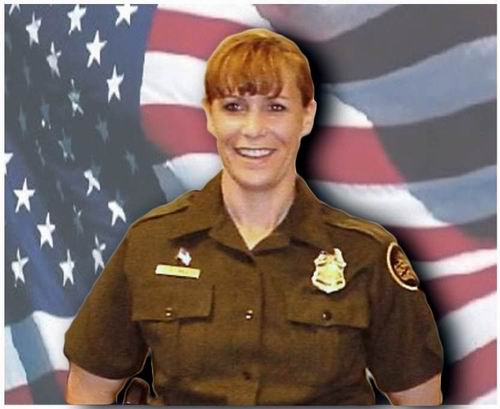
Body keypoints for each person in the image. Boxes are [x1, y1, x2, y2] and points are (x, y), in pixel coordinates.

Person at [64, 28, 443, 405]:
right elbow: (89, 390)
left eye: (276, 108)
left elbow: (419, 398)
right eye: (234, 107)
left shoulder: (366, 255)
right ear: (209, 115)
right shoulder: (152, 244)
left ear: (307, 116)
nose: (254, 130)